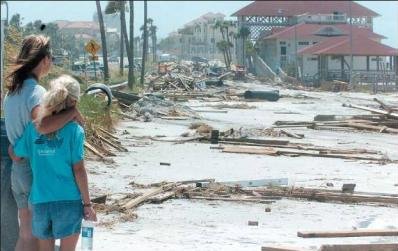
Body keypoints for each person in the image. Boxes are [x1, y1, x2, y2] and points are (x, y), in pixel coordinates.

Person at [3, 35, 83, 251]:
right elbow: (42, 125)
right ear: (45, 59)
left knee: (25, 233)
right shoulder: (36, 92)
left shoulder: (12, 92)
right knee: (38, 239)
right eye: (52, 58)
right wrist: (72, 112)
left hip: (17, 170)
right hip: (33, 170)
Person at [12, 75, 97, 251]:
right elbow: (79, 170)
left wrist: (11, 150)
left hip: (41, 201)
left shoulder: (33, 129)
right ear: (73, 102)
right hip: (69, 200)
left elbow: (16, 155)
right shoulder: (75, 131)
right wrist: (87, 204)